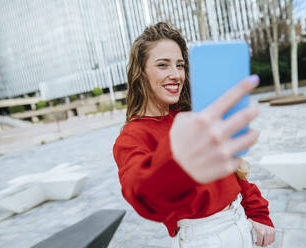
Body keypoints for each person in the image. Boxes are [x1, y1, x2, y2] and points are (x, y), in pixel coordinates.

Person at [113, 22, 275, 247]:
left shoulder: (192, 116)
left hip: (242, 224)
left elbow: (232, 173)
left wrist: (258, 213)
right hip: (203, 238)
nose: (176, 75)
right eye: (163, 65)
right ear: (140, 72)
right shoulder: (132, 136)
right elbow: (140, 194)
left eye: (180, 65)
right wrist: (178, 162)